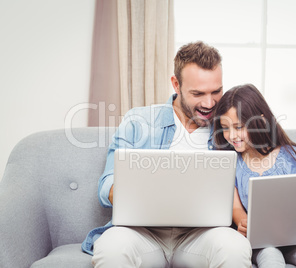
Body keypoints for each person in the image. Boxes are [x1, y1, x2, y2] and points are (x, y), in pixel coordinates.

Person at [81, 41, 252, 268]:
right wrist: (128, 191)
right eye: (198, 93)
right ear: (176, 84)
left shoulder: (231, 129)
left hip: (201, 237)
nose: (209, 103)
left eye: (216, 91)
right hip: (142, 234)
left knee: (235, 248)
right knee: (112, 248)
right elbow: (106, 185)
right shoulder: (138, 121)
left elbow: (255, 171)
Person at [213, 84, 296, 268]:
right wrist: (244, 223)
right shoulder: (232, 163)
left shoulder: (291, 156)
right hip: (259, 242)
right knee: (270, 255)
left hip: (295, 239)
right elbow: (237, 210)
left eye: (238, 127)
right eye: (225, 128)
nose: (232, 135)